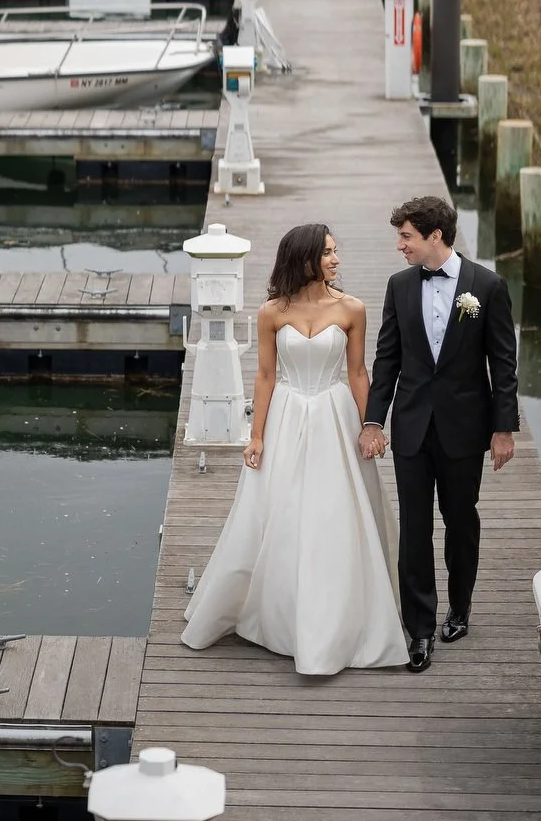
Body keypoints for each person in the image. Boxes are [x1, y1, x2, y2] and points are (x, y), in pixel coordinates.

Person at [181, 223, 408, 676]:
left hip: (334, 415)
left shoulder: (352, 309)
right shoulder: (271, 312)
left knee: (334, 515)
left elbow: (359, 373)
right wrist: (257, 435)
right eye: (327, 253)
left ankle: (335, 622)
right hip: (286, 415)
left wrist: (371, 426)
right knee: (277, 513)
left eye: (335, 252)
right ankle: (277, 616)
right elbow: (265, 376)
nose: (335, 260)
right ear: (304, 258)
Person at [360, 194, 519, 674]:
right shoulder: (399, 286)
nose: (399, 246)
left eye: (406, 236)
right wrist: (373, 420)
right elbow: (387, 358)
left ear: (435, 236)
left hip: (464, 429)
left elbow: (503, 364)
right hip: (411, 426)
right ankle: (420, 629)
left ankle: (461, 607)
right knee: (414, 527)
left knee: (460, 520)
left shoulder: (487, 287)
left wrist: (504, 428)